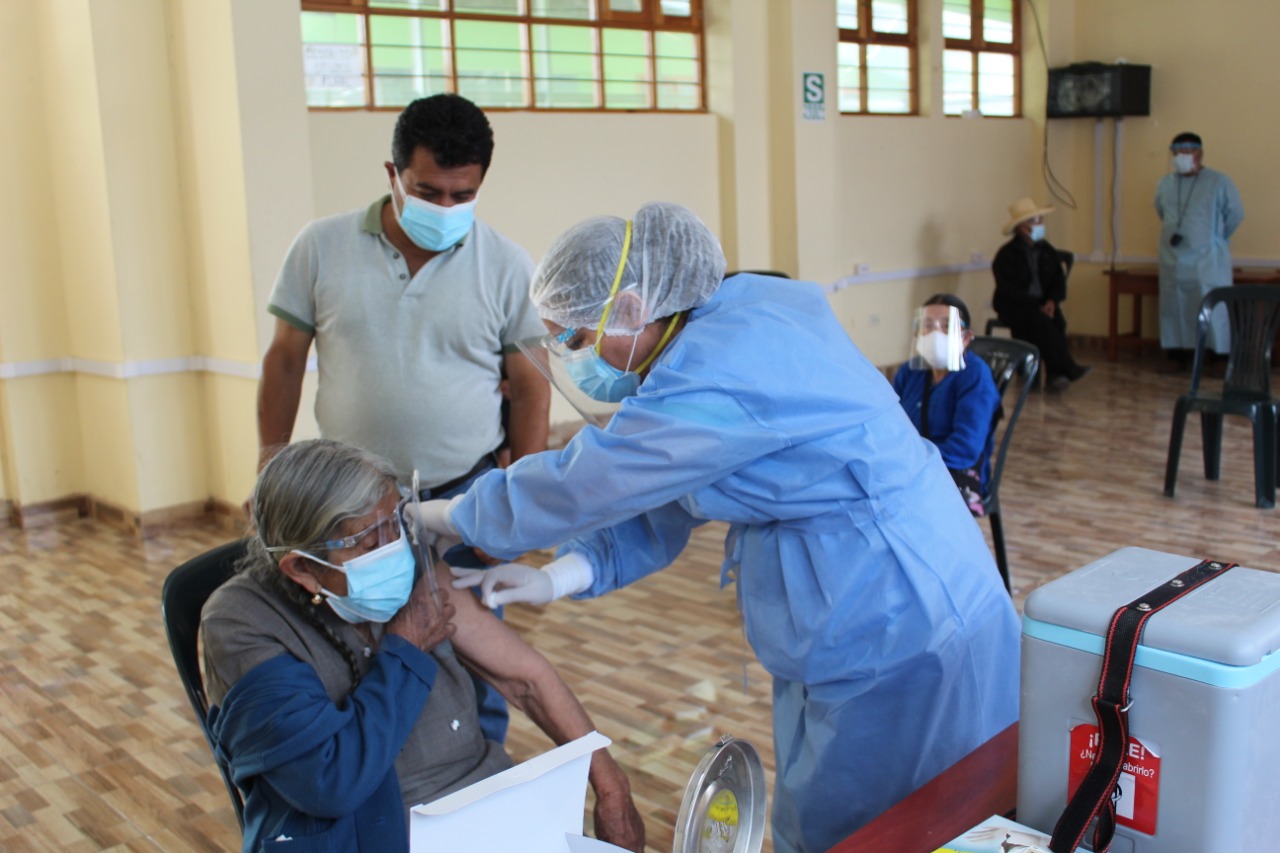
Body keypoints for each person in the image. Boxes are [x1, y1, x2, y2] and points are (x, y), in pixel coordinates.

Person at [411, 203, 1021, 853]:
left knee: (899, 828)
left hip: (905, 617)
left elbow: (592, 477)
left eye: (577, 339)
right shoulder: (726, 323)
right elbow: (676, 487)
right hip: (848, 608)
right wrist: (565, 572)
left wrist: (449, 514)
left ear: (633, 307)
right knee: (824, 814)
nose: (570, 359)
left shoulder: (723, 365)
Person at [256, 93, 552, 743]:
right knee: (360, 650)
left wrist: (519, 505)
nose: (446, 208)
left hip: (465, 493)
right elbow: (284, 361)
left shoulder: (505, 264)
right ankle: (387, 769)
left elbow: (532, 388)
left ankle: (479, 763)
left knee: (475, 656)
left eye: (462, 195)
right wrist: (269, 465)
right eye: (428, 191)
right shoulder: (320, 247)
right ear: (392, 174)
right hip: (350, 508)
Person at [202, 439, 644, 853]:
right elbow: (331, 782)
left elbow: (525, 678)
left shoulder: (410, 562)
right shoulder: (241, 622)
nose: (394, 548)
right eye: (369, 540)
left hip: (487, 806)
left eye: (393, 523)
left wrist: (612, 787)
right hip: (374, 836)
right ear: (302, 568)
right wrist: (405, 646)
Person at [893, 294, 1000, 517]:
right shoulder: (910, 371)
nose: (935, 334)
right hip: (910, 467)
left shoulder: (975, 375)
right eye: (927, 326)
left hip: (952, 471)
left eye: (947, 326)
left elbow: (965, 448)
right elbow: (890, 425)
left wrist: (912, 462)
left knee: (892, 508)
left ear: (966, 337)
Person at [1154, 131, 1244, 371]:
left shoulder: (1219, 182)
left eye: (1187, 151)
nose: (1182, 156)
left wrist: (1217, 239)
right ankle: (1177, 355)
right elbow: (1161, 211)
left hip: (1207, 259)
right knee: (1174, 306)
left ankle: (1218, 357)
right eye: (1177, 152)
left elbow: (1235, 214)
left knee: (1211, 305)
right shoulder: (1165, 184)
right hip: (1173, 258)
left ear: (1200, 154)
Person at [991, 197, 1090, 392]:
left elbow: (1058, 279)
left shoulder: (1046, 250)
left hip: (1042, 304)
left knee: (1057, 321)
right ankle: (1067, 368)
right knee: (1040, 322)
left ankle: (1055, 374)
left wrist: (1052, 301)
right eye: (1036, 221)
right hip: (1015, 307)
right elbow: (1009, 289)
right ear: (1023, 227)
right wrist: (1036, 305)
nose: (1041, 224)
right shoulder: (1006, 255)